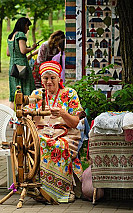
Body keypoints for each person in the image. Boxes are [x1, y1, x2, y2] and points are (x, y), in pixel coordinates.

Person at [25, 60, 83, 203]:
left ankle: (62, 190)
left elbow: (75, 122)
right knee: (40, 143)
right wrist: (35, 113)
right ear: (41, 79)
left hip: (67, 133)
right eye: (45, 78)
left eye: (52, 77)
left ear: (59, 78)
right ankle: (42, 189)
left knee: (59, 145)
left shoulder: (69, 93)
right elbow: (27, 116)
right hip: (41, 133)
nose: (49, 81)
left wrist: (63, 113)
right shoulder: (36, 94)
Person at [7, 17, 38, 110]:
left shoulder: (10, 36)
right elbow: (23, 50)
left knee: (14, 94)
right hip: (22, 66)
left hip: (13, 67)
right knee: (26, 92)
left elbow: (8, 53)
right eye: (27, 26)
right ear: (23, 25)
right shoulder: (20, 35)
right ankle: (24, 118)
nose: (28, 29)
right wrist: (32, 48)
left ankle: (13, 118)